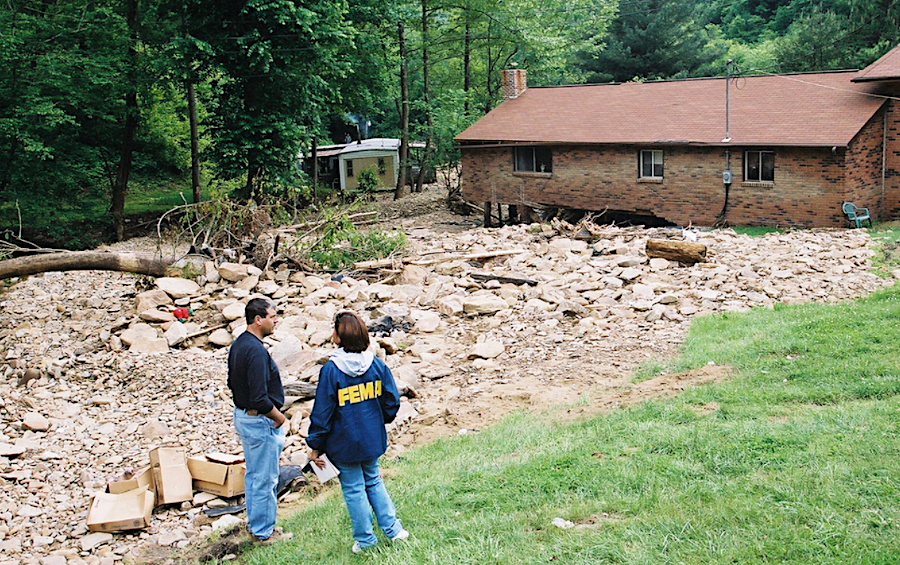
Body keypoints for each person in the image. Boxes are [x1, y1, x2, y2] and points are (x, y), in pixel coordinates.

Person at [306, 311, 409, 554]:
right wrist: (378, 420)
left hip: (343, 441)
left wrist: (315, 444)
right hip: (371, 437)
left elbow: (323, 413)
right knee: (373, 480)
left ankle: (365, 539)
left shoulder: (332, 370)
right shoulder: (375, 364)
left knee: (353, 488)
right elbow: (392, 401)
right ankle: (393, 529)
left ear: (339, 337)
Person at [227, 298, 292, 545]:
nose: (275, 321)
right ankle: (264, 532)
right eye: (272, 316)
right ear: (258, 319)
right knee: (265, 477)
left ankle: (257, 524)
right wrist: (278, 416)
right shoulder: (254, 350)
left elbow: (231, 383)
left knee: (254, 475)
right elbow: (258, 396)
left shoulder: (239, 344)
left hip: (244, 415)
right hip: (259, 420)